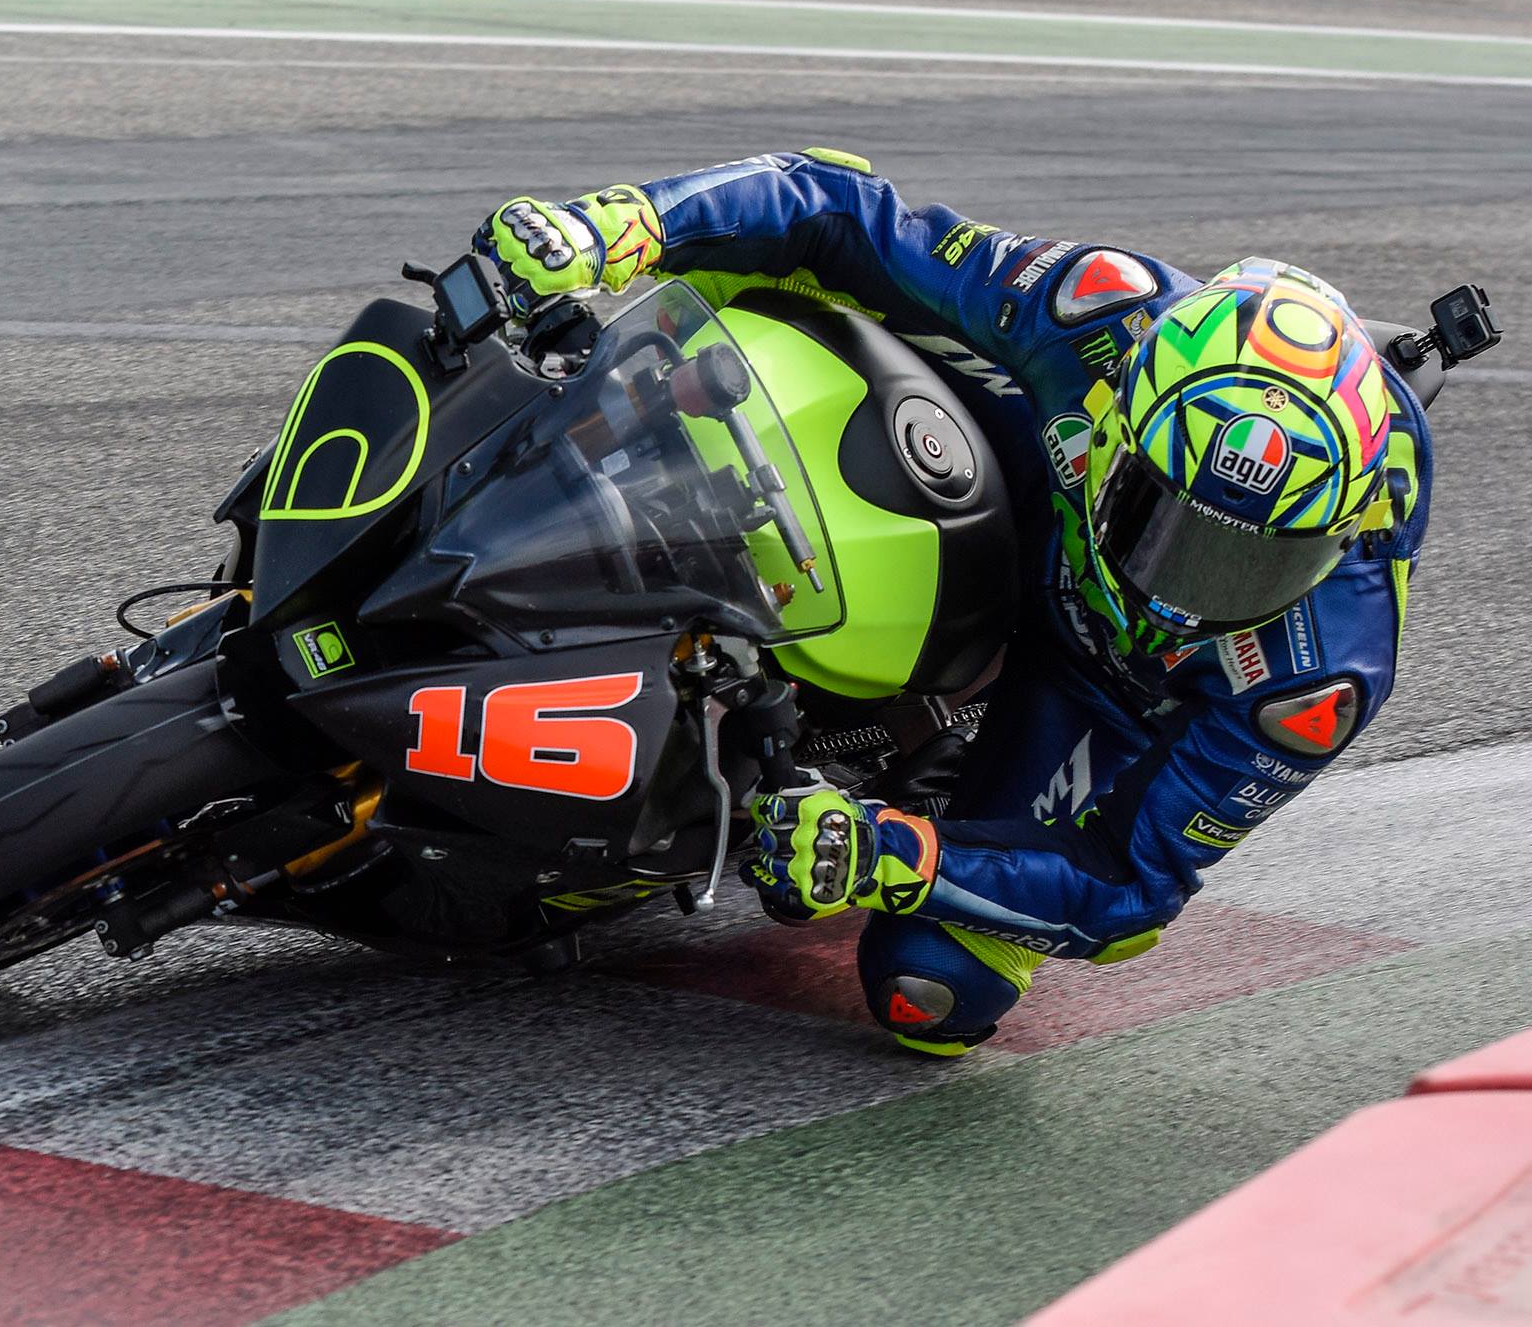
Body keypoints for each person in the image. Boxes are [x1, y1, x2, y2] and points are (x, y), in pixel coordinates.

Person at [475, 150, 1430, 1055]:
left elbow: (1130, 888)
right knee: (778, 270)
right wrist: (621, 224)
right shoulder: (1096, 315)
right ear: (1117, 422)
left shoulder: (1319, 677)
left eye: (1252, 567)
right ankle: (552, 424)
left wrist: (895, 856)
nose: (1185, 596)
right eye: (1169, 527)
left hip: (1112, 691)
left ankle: (934, 764)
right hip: (1036, 473)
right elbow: (839, 211)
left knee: (930, 994)